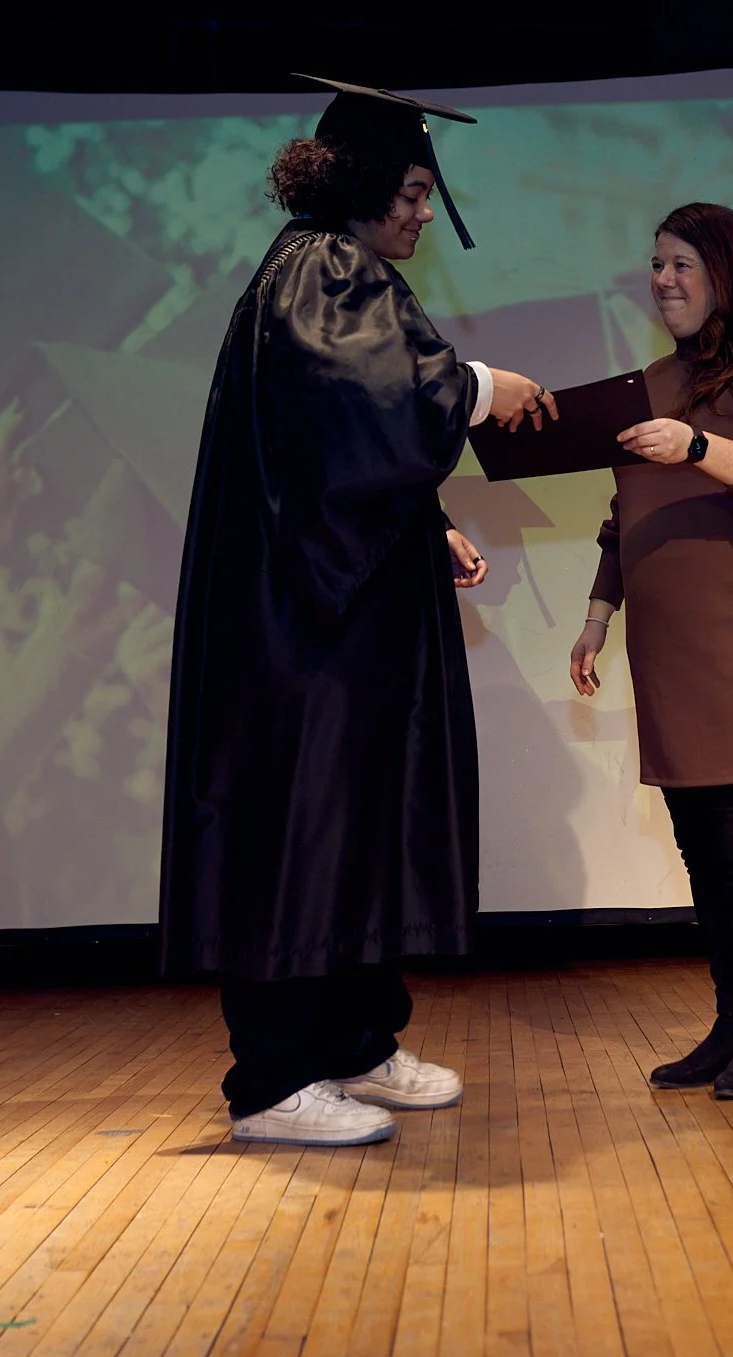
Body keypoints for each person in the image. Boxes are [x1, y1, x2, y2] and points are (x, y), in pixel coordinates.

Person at [159, 75, 557, 1145]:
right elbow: (366, 399)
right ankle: (273, 1083)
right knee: (301, 826)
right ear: (366, 186)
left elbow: (324, 452)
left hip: (338, 621)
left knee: (357, 823)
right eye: (414, 192)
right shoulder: (319, 270)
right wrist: (483, 388)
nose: (424, 213)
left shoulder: (330, 270)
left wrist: (427, 521)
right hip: (300, 637)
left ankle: (353, 1043)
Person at [569, 203, 733, 1099]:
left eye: (681, 263)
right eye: (656, 263)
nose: (663, 279)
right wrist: (598, 613)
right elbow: (626, 510)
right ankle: (730, 1025)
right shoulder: (651, 380)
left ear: (727, 272)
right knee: (699, 845)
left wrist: (699, 445)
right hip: (669, 642)